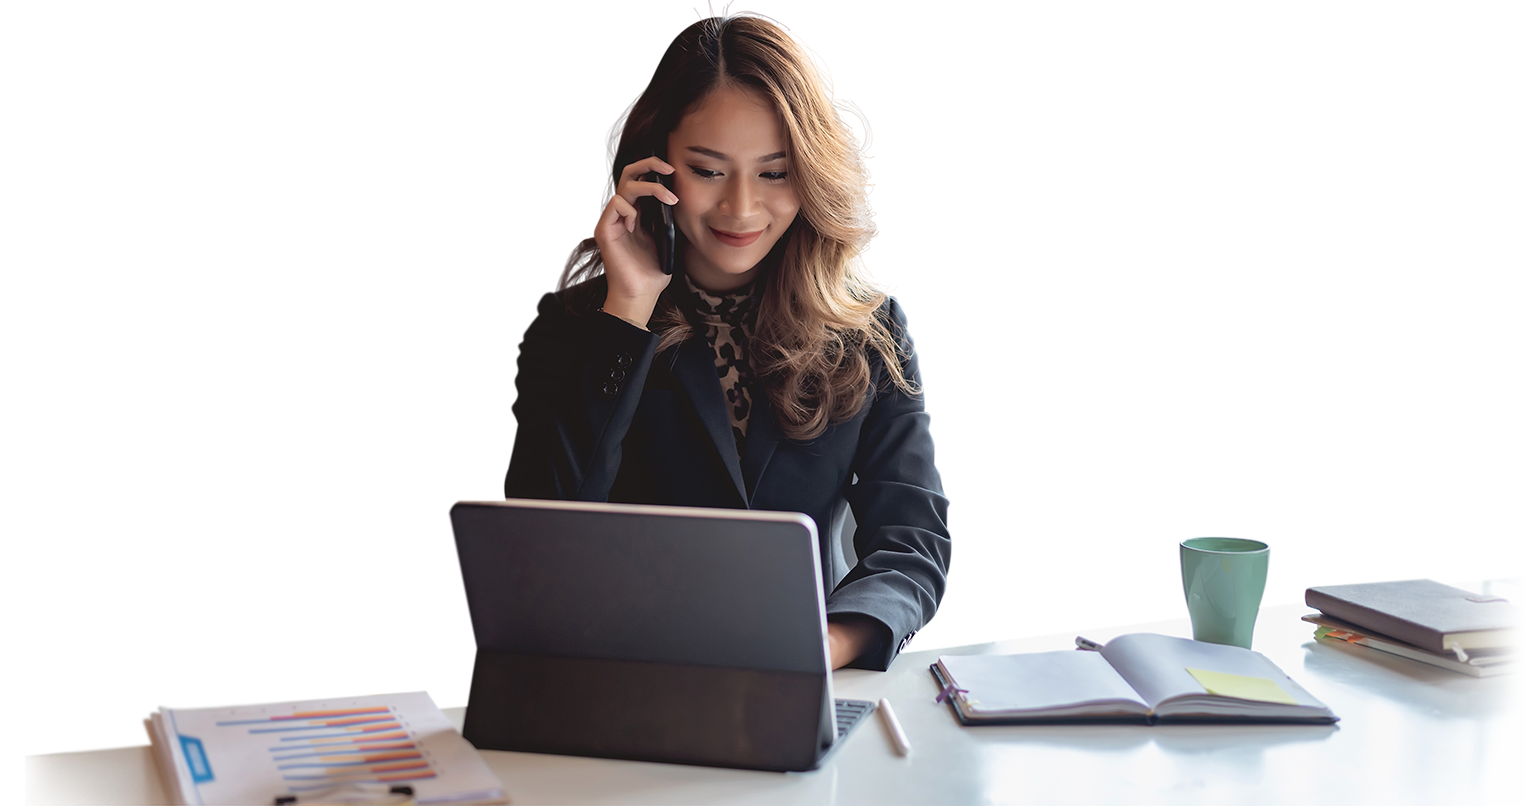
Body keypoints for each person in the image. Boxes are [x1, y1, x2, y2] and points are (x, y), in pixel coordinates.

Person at [503, 12, 950, 672]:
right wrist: (628, 309)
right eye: (709, 171)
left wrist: (824, 644)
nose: (741, 210)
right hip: (621, 686)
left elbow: (912, 539)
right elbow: (541, 540)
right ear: (654, 171)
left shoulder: (869, 330)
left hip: (802, 680)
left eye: (773, 173)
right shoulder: (576, 327)